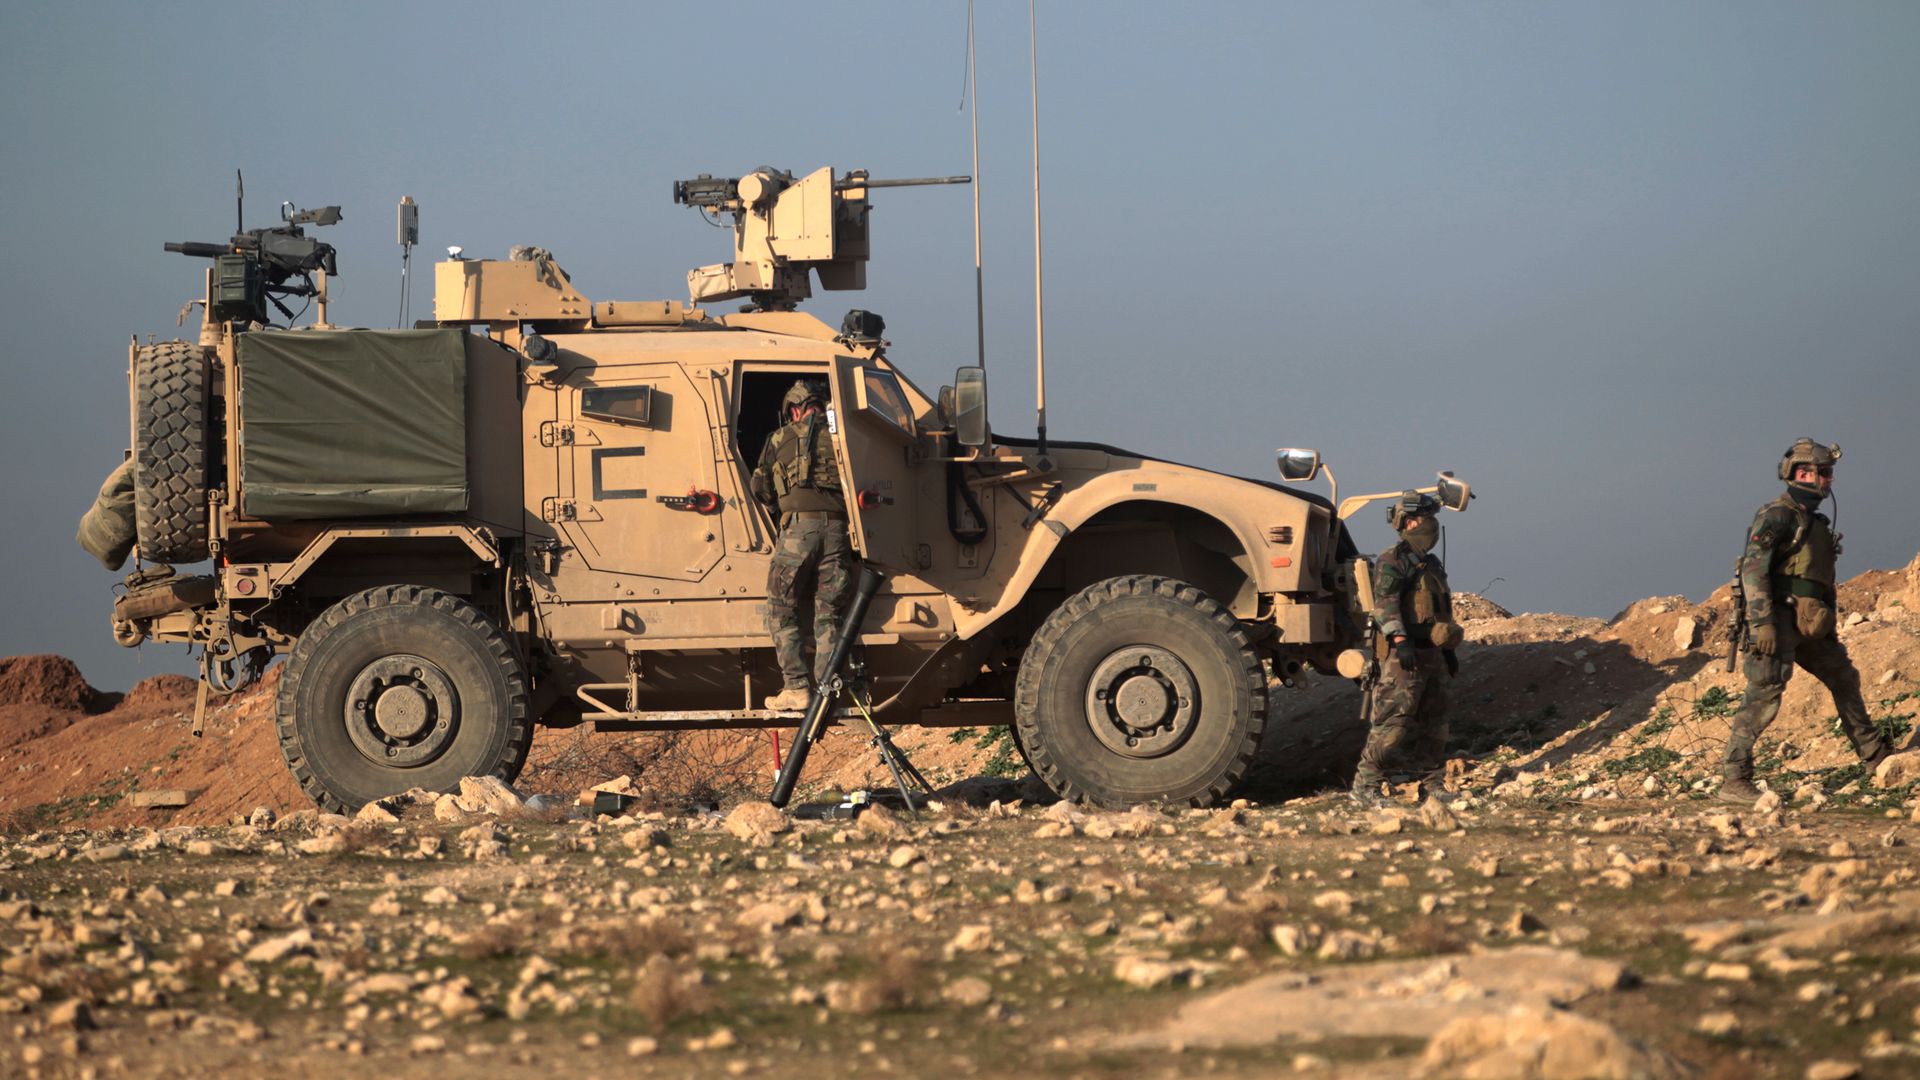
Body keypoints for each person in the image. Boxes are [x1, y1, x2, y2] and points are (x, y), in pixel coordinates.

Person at [1719, 438, 1886, 802]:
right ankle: (1734, 779)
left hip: (1810, 622)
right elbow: (1753, 571)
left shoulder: (1817, 523)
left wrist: (1830, 632)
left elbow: (1823, 580)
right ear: (1802, 473)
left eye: (1829, 473)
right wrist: (1761, 622)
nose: (1830, 480)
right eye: (1824, 473)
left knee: (1844, 677)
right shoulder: (1777, 516)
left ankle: (1875, 755)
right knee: (1764, 695)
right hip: (1777, 620)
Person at [1353, 491, 1464, 805]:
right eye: (1428, 519)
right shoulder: (1394, 559)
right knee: (1393, 724)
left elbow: (1440, 609)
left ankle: (1432, 784)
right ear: (1412, 522)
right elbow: (1385, 606)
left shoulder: (1432, 564)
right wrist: (1400, 642)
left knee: (1435, 724)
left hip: (1433, 654)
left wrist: (1448, 651)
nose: (1432, 526)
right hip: (1404, 656)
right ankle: (1366, 786)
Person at [750, 379, 855, 711]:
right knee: (829, 612)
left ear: (794, 410)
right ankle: (827, 690)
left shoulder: (779, 438)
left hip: (799, 531)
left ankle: (796, 687)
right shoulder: (845, 439)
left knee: (781, 607)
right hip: (839, 530)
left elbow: (761, 488)